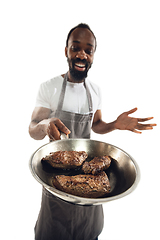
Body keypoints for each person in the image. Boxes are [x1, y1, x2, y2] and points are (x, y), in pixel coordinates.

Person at [29, 23, 156, 240]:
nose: (82, 54)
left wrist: (115, 124)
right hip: (57, 179)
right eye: (75, 47)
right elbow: (33, 127)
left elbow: (96, 124)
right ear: (66, 50)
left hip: (90, 177)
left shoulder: (95, 91)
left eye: (89, 50)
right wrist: (45, 123)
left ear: (93, 55)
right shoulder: (49, 87)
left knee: (89, 233)